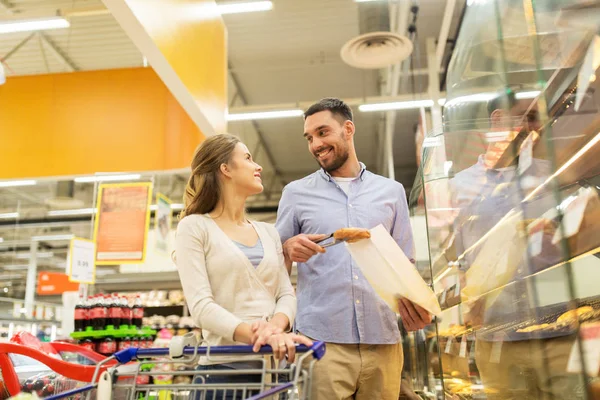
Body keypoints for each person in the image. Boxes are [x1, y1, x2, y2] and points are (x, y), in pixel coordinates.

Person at [275, 98, 432, 400]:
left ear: (348, 129)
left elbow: (404, 263)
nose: (315, 144)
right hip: (320, 343)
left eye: (322, 132)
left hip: (383, 340)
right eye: (309, 137)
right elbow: (274, 265)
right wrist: (286, 248)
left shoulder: (391, 191)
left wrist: (418, 305)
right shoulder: (295, 194)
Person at [174, 134, 312, 400]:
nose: (258, 166)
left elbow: (285, 294)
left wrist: (275, 328)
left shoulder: (268, 232)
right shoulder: (194, 227)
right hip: (221, 373)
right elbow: (201, 306)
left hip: (273, 375)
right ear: (225, 169)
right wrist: (257, 336)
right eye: (248, 158)